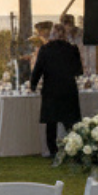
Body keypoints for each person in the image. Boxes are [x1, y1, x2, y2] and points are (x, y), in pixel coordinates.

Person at [30, 22, 85, 158]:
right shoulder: (73, 49)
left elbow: (38, 70)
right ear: (65, 35)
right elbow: (79, 71)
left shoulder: (45, 49)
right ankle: (73, 148)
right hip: (68, 89)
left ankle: (53, 151)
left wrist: (33, 84)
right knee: (70, 122)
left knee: (51, 123)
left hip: (51, 89)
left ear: (52, 35)